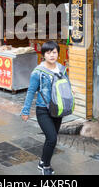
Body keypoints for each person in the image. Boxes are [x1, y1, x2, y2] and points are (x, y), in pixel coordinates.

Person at [21, 41, 69, 175]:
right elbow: (31, 92)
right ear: (43, 55)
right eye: (48, 53)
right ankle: (45, 166)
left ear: (58, 54)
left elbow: (66, 87)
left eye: (54, 52)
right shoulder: (38, 72)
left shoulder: (62, 68)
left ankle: (43, 161)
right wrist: (25, 111)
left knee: (51, 139)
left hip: (58, 109)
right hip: (43, 110)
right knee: (52, 138)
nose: (52, 55)